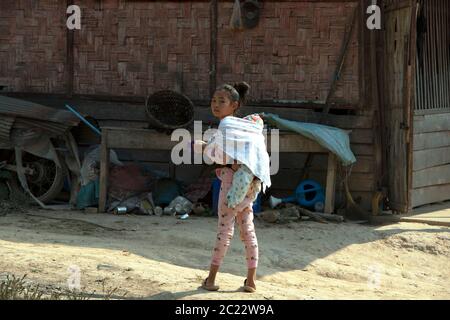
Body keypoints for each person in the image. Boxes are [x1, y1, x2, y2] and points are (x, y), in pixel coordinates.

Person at [195, 82, 271, 293]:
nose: (216, 105)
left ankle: (210, 280)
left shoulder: (227, 125)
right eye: (213, 100)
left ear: (234, 105)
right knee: (248, 231)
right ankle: (251, 280)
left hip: (231, 184)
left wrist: (202, 147)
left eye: (222, 101)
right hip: (249, 186)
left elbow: (221, 156)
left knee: (224, 230)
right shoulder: (246, 127)